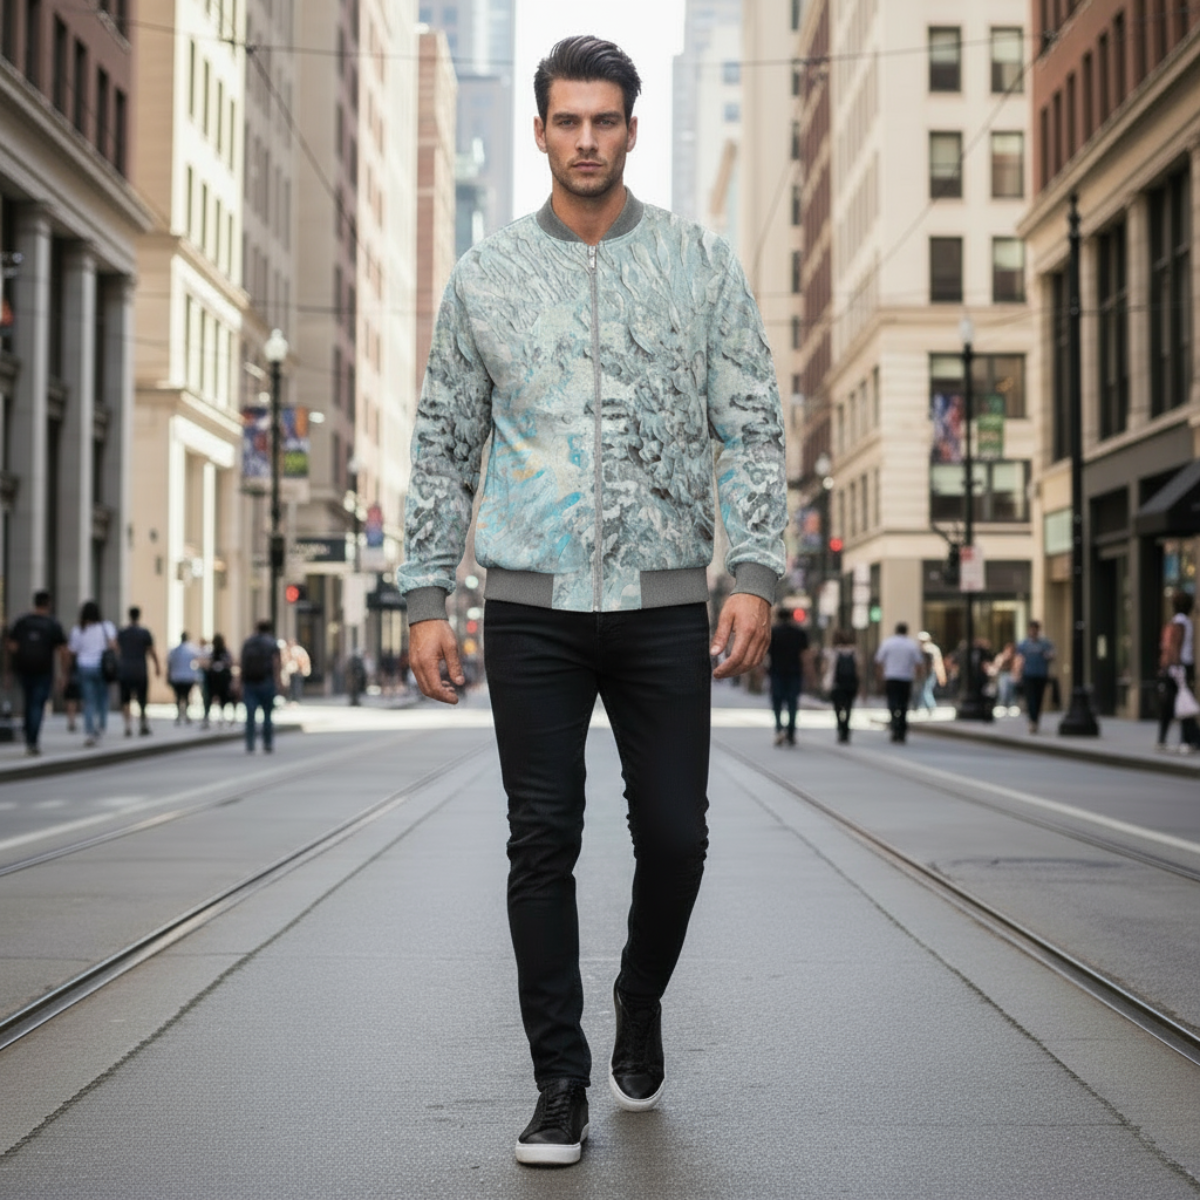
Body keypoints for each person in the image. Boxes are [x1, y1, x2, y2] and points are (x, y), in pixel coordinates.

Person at [398, 35, 785, 1169]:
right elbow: (442, 444)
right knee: (542, 838)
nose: (585, 139)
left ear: (629, 128)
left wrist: (754, 572)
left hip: (663, 603)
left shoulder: (699, 265)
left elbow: (750, 426)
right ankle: (558, 1084)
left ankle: (639, 992)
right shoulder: (486, 277)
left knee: (676, 836)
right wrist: (427, 593)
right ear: (539, 131)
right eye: (566, 120)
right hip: (531, 605)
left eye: (603, 120)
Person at [5, 590, 68, 756]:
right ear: (48, 604)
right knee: (37, 704)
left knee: (28, 702)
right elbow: (63, 650)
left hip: (24, 669)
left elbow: (11, 647)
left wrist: (9, 670)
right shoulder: (52, 624)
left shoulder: (22, 622)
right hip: (43, 670)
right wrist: (63, 674)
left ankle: (29, 735)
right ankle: (32, 740)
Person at [67, 600, 118, 748]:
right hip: (101, 667)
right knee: (102, 698)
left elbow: (72, 651)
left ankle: (90, 732)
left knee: (88, 701)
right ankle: (101, 726)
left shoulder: (78, 630)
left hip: (84, 667)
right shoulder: (106, 626)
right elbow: (113, 645)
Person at [1157, 591, 1199, 752]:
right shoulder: (1183, 621)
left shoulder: (1178, 621)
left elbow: (1171, 646)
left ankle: (1168, 739)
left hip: (1176, 667)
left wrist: (1166, 666)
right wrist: (1174, 666)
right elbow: (1175, 645)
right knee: (1182, 704)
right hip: (1181, 666)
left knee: (1174, 704)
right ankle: (1186, 740)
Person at [875, 622, 925, 744]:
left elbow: (879, 661)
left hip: (891, 677)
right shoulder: (911, 644)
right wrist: (918, 677)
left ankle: (895, 726)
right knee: (903, 704)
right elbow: (919, 663)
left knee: (892, 703)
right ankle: (901, 730)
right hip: (906, 678)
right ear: (906, 631)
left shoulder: (888, 643)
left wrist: (880, 677)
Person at [767, 608, 808, 747]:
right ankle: (791, 732)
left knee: (777, 703)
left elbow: (765, 655)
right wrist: (809, 674)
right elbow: (804, 656)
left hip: (776, 672)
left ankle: (779, 729)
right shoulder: (799, 633)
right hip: (794, 672)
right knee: (792, 702)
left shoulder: (772, 632)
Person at [116, 606, 161, 737]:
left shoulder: (122, 633)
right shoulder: (144, 633)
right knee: (142, 699)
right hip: (140, 670)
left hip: (125, 669)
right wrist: (157, 666)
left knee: (125, 699)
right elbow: (152, 651)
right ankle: (143, 724)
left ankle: (128, 726)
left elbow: (117, 649)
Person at [240, 619, 282, 753]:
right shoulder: (272, 643)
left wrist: (240, 682)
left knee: (250, 715)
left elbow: (243, 664)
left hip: (250, 682)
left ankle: (250, 743)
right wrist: (278, 681)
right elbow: (276, 664)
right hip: (267, 681)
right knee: (267, 715)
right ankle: (267, 743)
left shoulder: (248, 642)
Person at [1014, 620, 1055, 734]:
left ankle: (1035, 719)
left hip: (1041, 674)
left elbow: (1052, 655)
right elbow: (1019, 659)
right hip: (1028, 675)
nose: (1033, 631)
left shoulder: (1045, 643)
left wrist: (1047, 656)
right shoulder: (1024, 644)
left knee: (1038, 699)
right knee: (1030, 698)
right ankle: (1032, 721)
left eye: (1035, 629)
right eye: (1031, 629)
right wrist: (1017, 673)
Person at [828, 628, 860, 744]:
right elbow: (858, 670)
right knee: (848, 707)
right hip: (851, 684)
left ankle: (840, 727)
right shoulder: (854, 652)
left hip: (837, 685)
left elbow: (828, 669)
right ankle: (846, 728)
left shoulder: (833, 652)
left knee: (837, 708)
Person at [202, 634, 236, 728]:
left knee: (222, 697)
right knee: (213, 698)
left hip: (220, 679)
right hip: (215, 679)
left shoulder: (223, 652)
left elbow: (230, 662)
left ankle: (217, 717)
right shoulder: (213, 652)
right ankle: (210, 717)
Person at [166, 632, 202, 724]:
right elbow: (199, 659)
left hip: (177, 677)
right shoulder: (191, 649)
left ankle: (180, 714)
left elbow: (170, 663)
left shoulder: (174, 650)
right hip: (187, 677)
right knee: (186, 696)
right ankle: (185, 714)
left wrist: (168, 675)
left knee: (178, 697)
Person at [913, 631, 946, 714]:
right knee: (922, 690)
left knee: (925, 690)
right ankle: (919, 706)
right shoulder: (919, 649)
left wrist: (941, 674)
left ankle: (930, 707)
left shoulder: (931, 649)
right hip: (923, 672)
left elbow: (937, 662)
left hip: (929, 672)